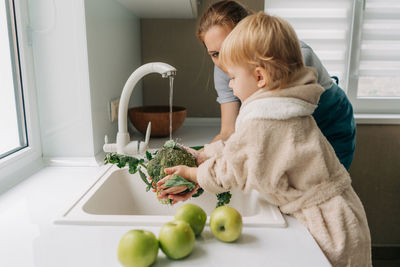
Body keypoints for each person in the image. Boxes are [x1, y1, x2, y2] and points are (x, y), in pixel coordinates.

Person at [157, 12, 371, 266]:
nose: (231, 85)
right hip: (343, 214)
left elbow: (233, 170)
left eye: (234, 78)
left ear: (259, 77)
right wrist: (204, 155)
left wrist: (193, 175)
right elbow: (242, 147)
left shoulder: (265, 117)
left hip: (326, 225)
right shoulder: (283, 104)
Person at [196, 0, 356, 170]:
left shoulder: (294, 57)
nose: (223, 61)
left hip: (329, 123)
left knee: (325, 184)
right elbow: (229, 132)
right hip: (285, 132)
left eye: (229, 46)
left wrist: (207, 171)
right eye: (214, 54)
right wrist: (197, 161)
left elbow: (269, 132)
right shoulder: (224, 69)